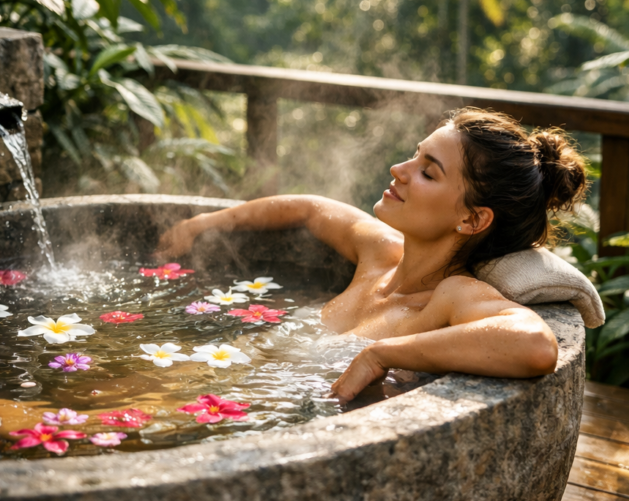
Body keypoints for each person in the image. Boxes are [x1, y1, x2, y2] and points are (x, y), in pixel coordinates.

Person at [155, 107, 588, 402]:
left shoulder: (451, 295)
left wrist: (384, 353)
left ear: (472, 220)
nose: (399, 171)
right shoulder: (381, 252)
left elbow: (535, 346)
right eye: (413, 156)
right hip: (228, 379)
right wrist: (205, 224)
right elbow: (308, 208)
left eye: (427, 171)